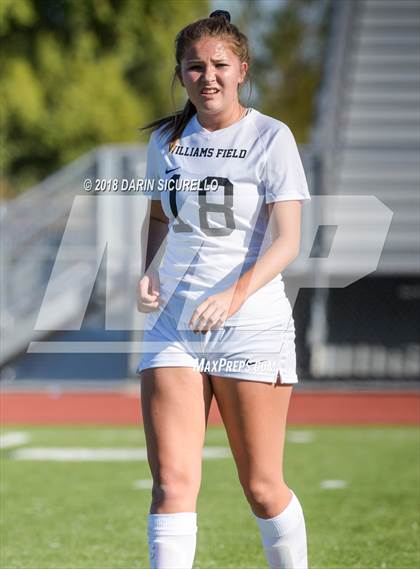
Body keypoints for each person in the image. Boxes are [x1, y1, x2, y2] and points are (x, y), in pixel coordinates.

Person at [136, 9, 311, 569]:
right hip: (174, 330)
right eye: (194, 67)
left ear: (241, 69)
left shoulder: (271, 137)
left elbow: (287, 241)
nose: (206, 77)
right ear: (181, 74)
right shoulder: (167, 139)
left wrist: (232, 296)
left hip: (251, 327)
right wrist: (148, 269)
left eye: (218, 65)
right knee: (171, 485)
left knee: (261, 487)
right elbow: (159, 216)